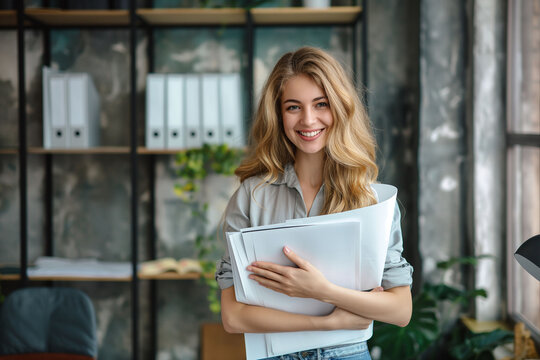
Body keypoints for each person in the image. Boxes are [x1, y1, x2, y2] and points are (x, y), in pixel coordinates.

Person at [215, 46, 413, 360]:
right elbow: (233, 317)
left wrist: (321, 290)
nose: (308, 120)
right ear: (278, 115)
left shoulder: (372, 200)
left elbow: (400, 310)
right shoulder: (252, 196)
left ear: (340, 107)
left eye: (321, 104)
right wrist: (329, 321)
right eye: (293, 107)